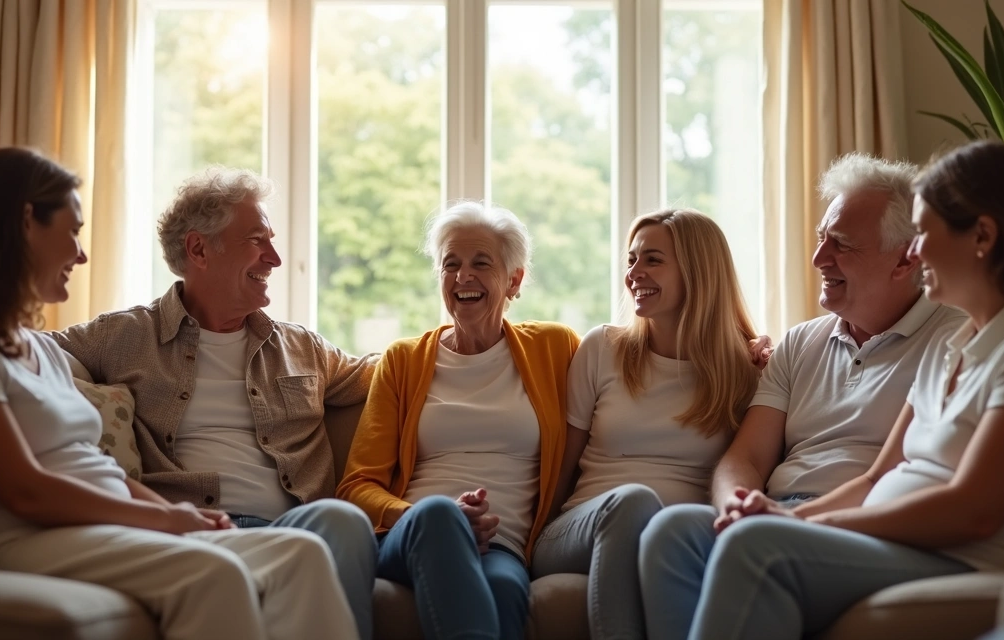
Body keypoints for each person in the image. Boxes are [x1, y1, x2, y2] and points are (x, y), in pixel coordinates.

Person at [0, 147, 356, 640]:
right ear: (26, 222)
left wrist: (172, 515)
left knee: (301, 553)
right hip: (35, 532)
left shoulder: (37, 348)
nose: (81, 253)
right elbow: (24, 491)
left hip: (101, 522)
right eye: (72, 231)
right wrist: (160, 517)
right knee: (213, 573)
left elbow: (100, 470)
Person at [658, 139, 1004, 639]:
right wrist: (783, 514)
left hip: (965, 557)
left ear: (981, 236)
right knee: (685, 533)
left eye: (925, 232)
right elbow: (875, 480)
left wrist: (803, 528)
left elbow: (975, 512)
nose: (914, 253)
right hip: (899, 544)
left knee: (758, 549)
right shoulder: (954, 345)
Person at [639, 153, 967, 639]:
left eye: (843, 245)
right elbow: (745, 456)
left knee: (752, 543)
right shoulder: (800, 342)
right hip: (778, 510)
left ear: (906, 258)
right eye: (820, 239)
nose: (818, 259)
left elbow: (898, 474)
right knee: (670, 532)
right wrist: (737, 504)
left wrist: (784, 521)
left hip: (858, 520)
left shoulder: (953, 339)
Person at [51, 167, 377, 638]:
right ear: (199, 249)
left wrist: (467, 341)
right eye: (257, 240)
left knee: (342, 519)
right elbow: (23, 353)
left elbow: (385, 373)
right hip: (190, 528)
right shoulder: (123, 336)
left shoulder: (301, 347)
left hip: (294, 525)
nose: (276, 258)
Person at [337, 201, 579, 640]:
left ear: (514, 280)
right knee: (438, 515)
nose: (462, 277)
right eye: (451, 264)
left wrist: (746, 342)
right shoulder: (403, 359)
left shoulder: (555, 348)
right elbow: (356, 487)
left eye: (480, 263)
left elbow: (632, 359)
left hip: (499, 545)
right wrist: (435, 517)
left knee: (505, 587)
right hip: (413, 533)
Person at [531, 209, 762, 639]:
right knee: (634, 502)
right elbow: (562, 466)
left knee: (660, 526)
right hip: (579, 531)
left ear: (698, 271)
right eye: (632, 260)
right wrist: (529, 544)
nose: (634, 272)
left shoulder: (747, 369)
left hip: (677, 542)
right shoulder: (603, 348)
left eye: (652, 259)